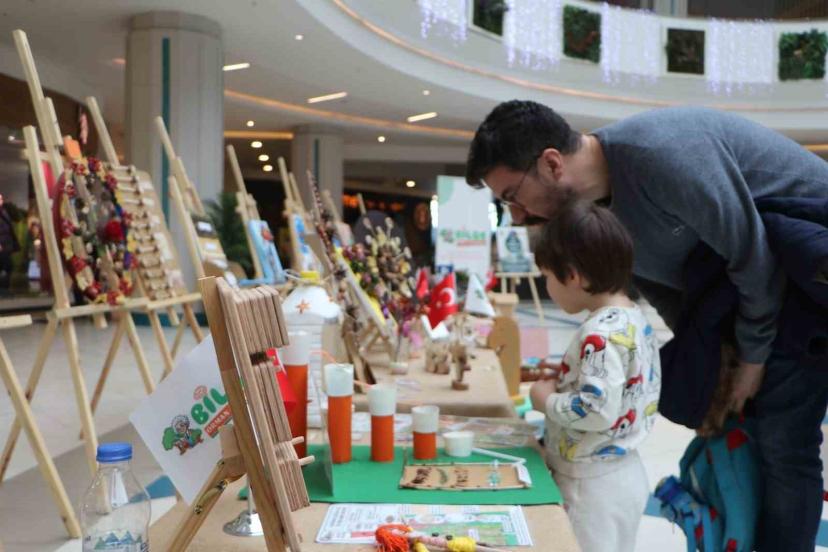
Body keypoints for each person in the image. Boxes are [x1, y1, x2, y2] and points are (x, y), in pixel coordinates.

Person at [467, 100, 828, 551]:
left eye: (512, 196)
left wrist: (752, 359)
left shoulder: (664, 156)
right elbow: (667, 288)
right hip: (756, 294)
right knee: (752, 436)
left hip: (803, 282)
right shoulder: (600, 210)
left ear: (552, 163)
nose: (517, 215)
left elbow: (753, 256)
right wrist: (718, 363)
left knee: (783, 442)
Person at [528, 198, 660, 552]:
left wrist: (546, 400)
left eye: (547, 277)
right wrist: (570, 377)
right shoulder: (633, 318)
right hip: (622, 473)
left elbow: (597, 410)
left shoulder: (599, 333)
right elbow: (624, 383)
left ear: (572, 275)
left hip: (589, 486)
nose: (548, 286)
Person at [0, 194, 20, 290]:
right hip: (2, 244)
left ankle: (5, 287)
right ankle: (3, 288)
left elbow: (10, 228)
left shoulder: (4, 212)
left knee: (7, 266)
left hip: (6, 243)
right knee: (5, 265)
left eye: (1, 199)